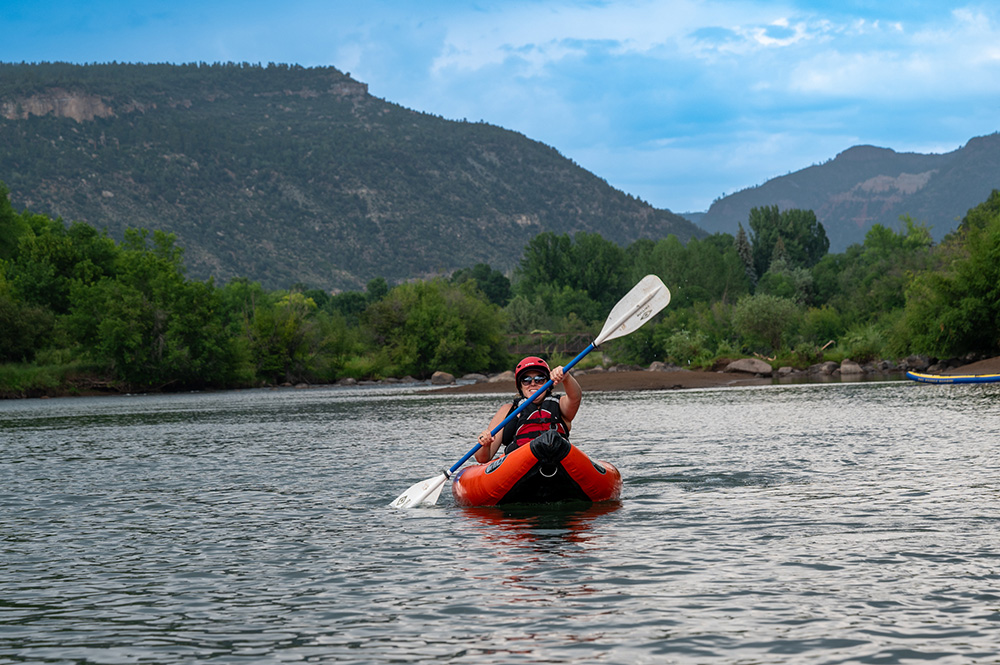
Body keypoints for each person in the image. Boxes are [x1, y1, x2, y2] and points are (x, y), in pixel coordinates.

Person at [474, 356, 582, 463]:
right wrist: (485, 444)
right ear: (520, 386)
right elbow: (482, 458)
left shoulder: (560, 405)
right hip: (519, 465)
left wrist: (566, 377)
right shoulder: (507, 410)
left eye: (540, 379)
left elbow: (575, 396)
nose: (533, 383)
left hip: (558, 460)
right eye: (526, 380)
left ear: (547, 383)